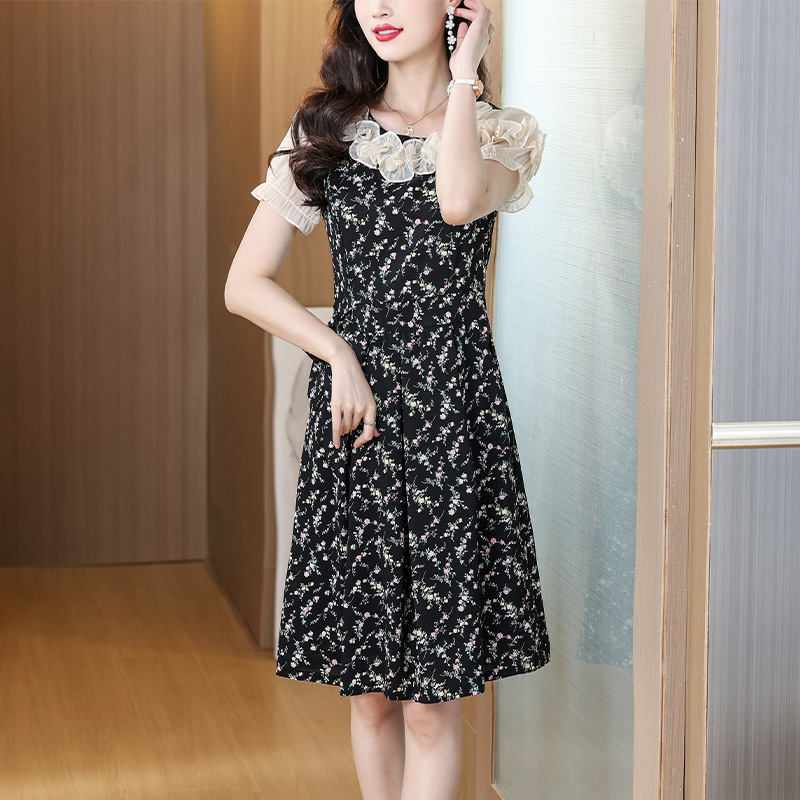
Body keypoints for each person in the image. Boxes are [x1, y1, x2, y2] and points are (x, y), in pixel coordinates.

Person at [225, 1, 551, 797]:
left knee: (431, 708)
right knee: (370, 698)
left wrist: (465, 79)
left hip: (451, 425)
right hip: (359, 423)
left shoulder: (500, 133)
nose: (379, 7)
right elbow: (244, 284)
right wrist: (336, 349)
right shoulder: (327, 130)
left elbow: (457, 203)